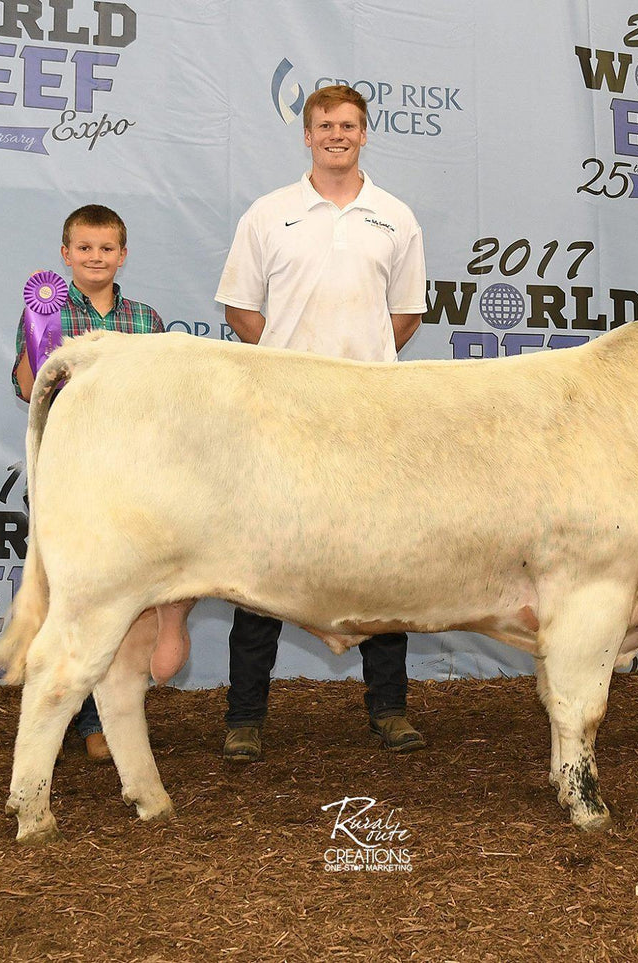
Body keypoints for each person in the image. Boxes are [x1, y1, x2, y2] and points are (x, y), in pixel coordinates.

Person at [214, 84, 428, 763]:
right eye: (324, 124)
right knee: (260, 565)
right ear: (306, 135)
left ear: (364, 134)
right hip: (282, 415)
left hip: (369, 417)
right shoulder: (268, 213)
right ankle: (244, 715)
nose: (336, 133)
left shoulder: (394, 216)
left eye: (348, 124)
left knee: (382, 564)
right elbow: (242, 311)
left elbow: (405, 315)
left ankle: (389, 709)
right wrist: (292, 363)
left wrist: (352, 368)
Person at [12, 203, 164, 762]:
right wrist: (37, 338)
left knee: (120, 596)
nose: (95, 257)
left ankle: (106, 716)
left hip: (129, 473)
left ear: (122, 256)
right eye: (84, 248)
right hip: (66, 469)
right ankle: (62, 709)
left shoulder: (146, 320)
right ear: (65, 253)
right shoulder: (43, 309)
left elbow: (160, 399)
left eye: (106, 249)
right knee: (67, 594)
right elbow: (29, 388)